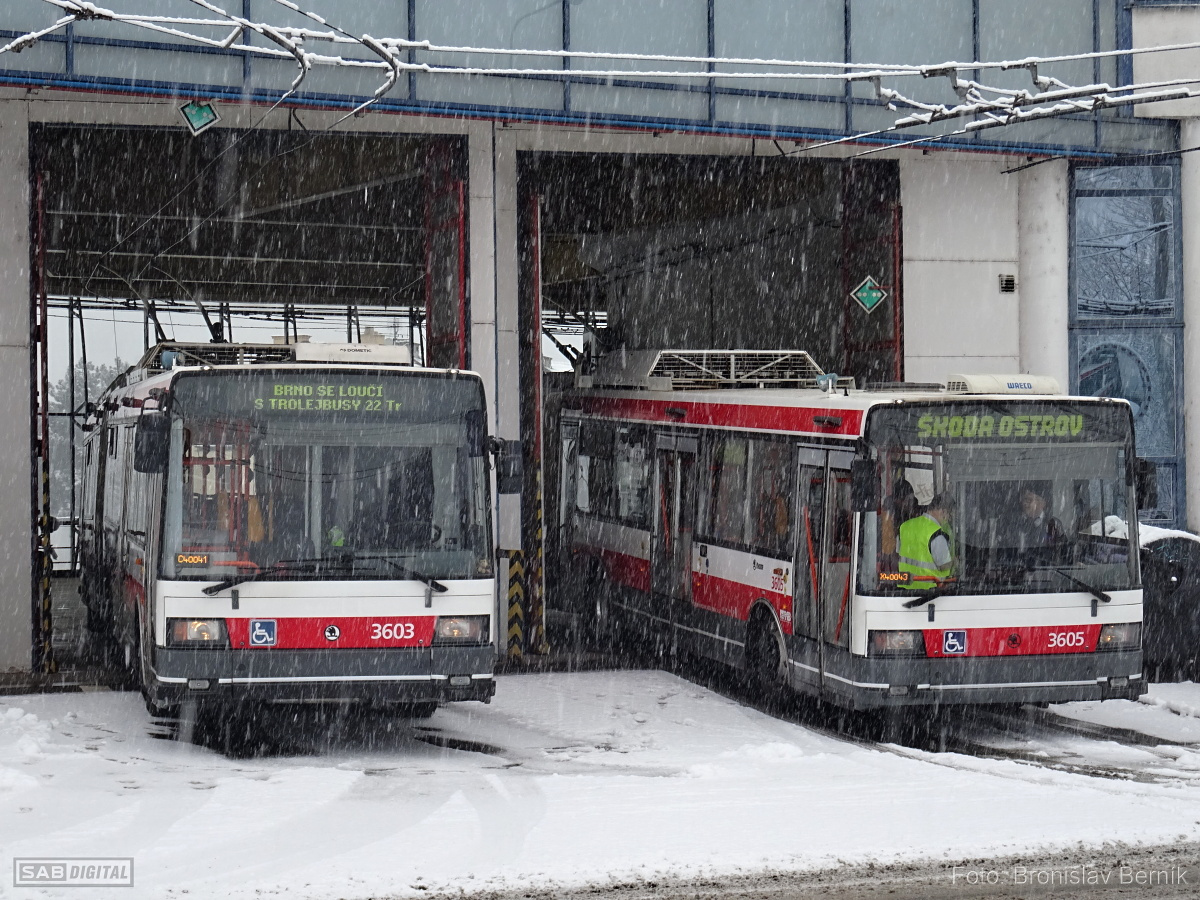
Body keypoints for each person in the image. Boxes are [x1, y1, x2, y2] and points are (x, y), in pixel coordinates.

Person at [898, 491, 954, 588]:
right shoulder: (936, 534)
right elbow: (943, 565)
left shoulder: (905, 526)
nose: (948, 519)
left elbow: (898, 554)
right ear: (943, 511)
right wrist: (955, 562)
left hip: (905, 589)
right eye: (949, 515)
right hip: (930, 590)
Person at [1013, 485, 1063, 553]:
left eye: (1028, 500)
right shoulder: (1013, 523)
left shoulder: (1054, 523)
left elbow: (1062, 551)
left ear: (1041, 503)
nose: (1024, 503)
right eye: (1023, 500)